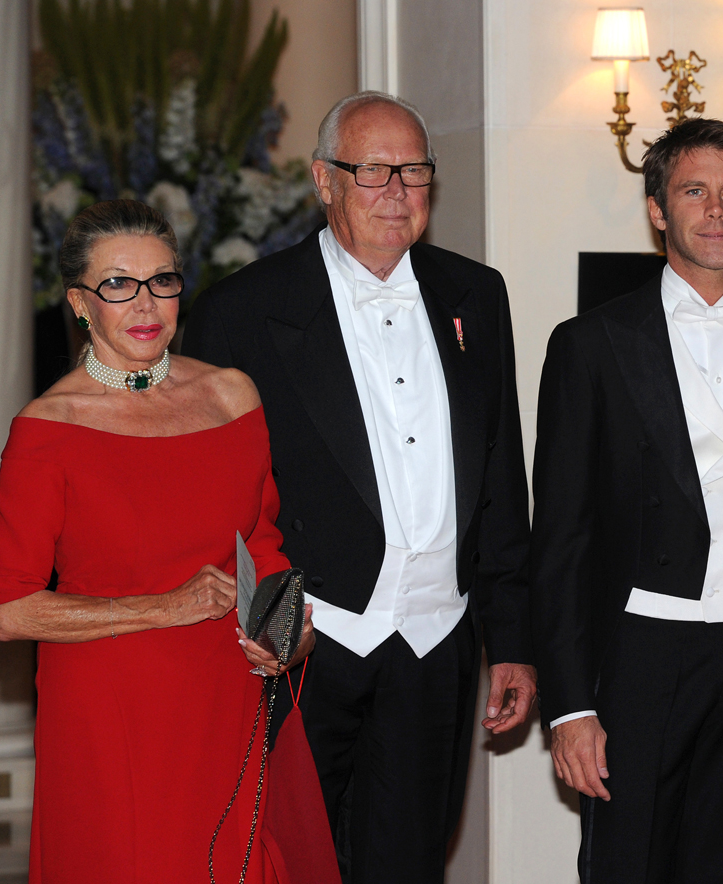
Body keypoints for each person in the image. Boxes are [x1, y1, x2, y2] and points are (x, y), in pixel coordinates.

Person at [183, 91, 536, 884]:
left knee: (411, 861)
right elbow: (217, 507)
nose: (397, 190)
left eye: (414, 170)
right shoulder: (243, 311)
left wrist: (512, 639)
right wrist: (267, 628)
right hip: (312, 643)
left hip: (437, 641)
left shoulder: (477, 295)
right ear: (323, 180)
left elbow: (500, 477)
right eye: (371, 170)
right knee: (289, 860)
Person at [529, 118, 723, 884]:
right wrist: (570, 708)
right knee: (629, 866)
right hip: (645, 655)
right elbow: (561, 540)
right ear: (658, 210)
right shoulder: (590, 344)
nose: (715, 210)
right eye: (693, 191)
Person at [0, 200, 317, 883]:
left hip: (225, 696)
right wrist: (165, 607)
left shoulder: (231, 396)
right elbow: (13, 611)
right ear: (81, 303)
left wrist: (289, 632)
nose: (145, 304)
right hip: (110, 714)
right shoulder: (49, 428)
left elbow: (263, 544)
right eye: (117, 284)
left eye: (162, 281)